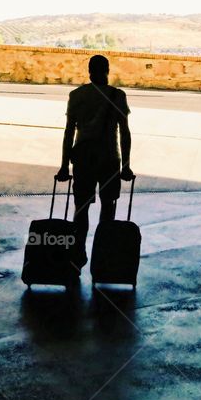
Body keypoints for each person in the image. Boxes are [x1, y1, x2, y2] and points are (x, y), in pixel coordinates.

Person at [56, 54, 135, 265]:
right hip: (109, 159)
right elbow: (125, 133)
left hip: (83, 159)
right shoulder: (117, 96)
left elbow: (68, 133)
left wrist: (64, 166)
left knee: (81, 208)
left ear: (89, 71)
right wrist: (126, 166)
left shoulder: (76, 95)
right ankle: (102, 256)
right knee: (108, 207)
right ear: (107, 70)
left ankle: (77, 255)